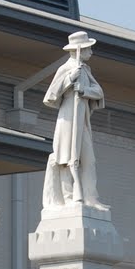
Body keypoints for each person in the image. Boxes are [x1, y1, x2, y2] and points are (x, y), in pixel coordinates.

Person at [42, 31, 108, 211]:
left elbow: (99, 93)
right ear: (80, 49)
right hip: (68, 120)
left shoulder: (86, 70)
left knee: (89, 160)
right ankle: (69, 197)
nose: (91, 53)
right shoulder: (66, 69)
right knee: (67, 159)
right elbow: (50, 96)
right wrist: (70, 80)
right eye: (88, 49)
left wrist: (84, 90)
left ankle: (90, 197)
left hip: (82, 121)